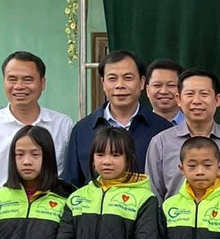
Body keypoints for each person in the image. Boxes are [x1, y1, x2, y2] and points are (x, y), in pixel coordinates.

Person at [0, 51, 74, 218]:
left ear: (42, 83)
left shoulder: (62, 125)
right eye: (12, 79)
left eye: (27, 79)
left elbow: (66, 178)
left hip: (48, 218)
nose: (19, 86)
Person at [144, 69, 220, 201]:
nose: (196, 100)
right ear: (178, 99)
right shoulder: (161, 143)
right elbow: (153, 196)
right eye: (190, 94)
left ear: (217, 100)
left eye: (204, 94)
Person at [64, 51, 172, 186]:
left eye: (128, 78)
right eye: (112, 78)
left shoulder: (163, 129)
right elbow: (72, 184)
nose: (120, 85)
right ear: (103, 83)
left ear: (142, 82)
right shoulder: (82, 130)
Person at [145, 59, 185, 125]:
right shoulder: (137, 126)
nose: (164, 91)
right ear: (148, 90)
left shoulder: (194, 125)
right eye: (157, 85)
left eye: (171, 85)